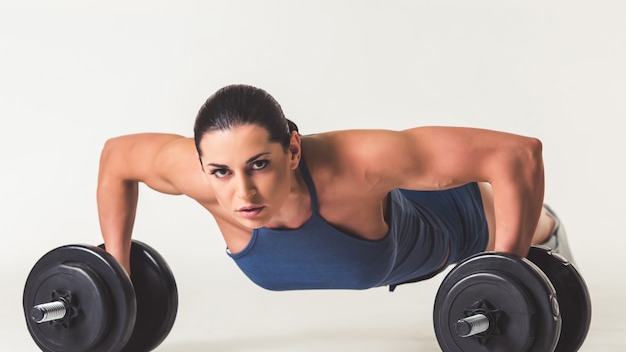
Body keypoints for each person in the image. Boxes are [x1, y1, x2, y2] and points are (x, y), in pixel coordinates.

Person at [97, 84, 573, 291]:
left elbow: (518, 153)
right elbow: (118, 158)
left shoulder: (358, 165)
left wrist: (508, 273)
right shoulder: (194, 173)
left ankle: (545, 227)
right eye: (220, 171)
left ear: (293, 151)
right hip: (393, 223)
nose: (243, 192)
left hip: (453, 218)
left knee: (509, 225)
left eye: (259, 164)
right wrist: (117, 275)